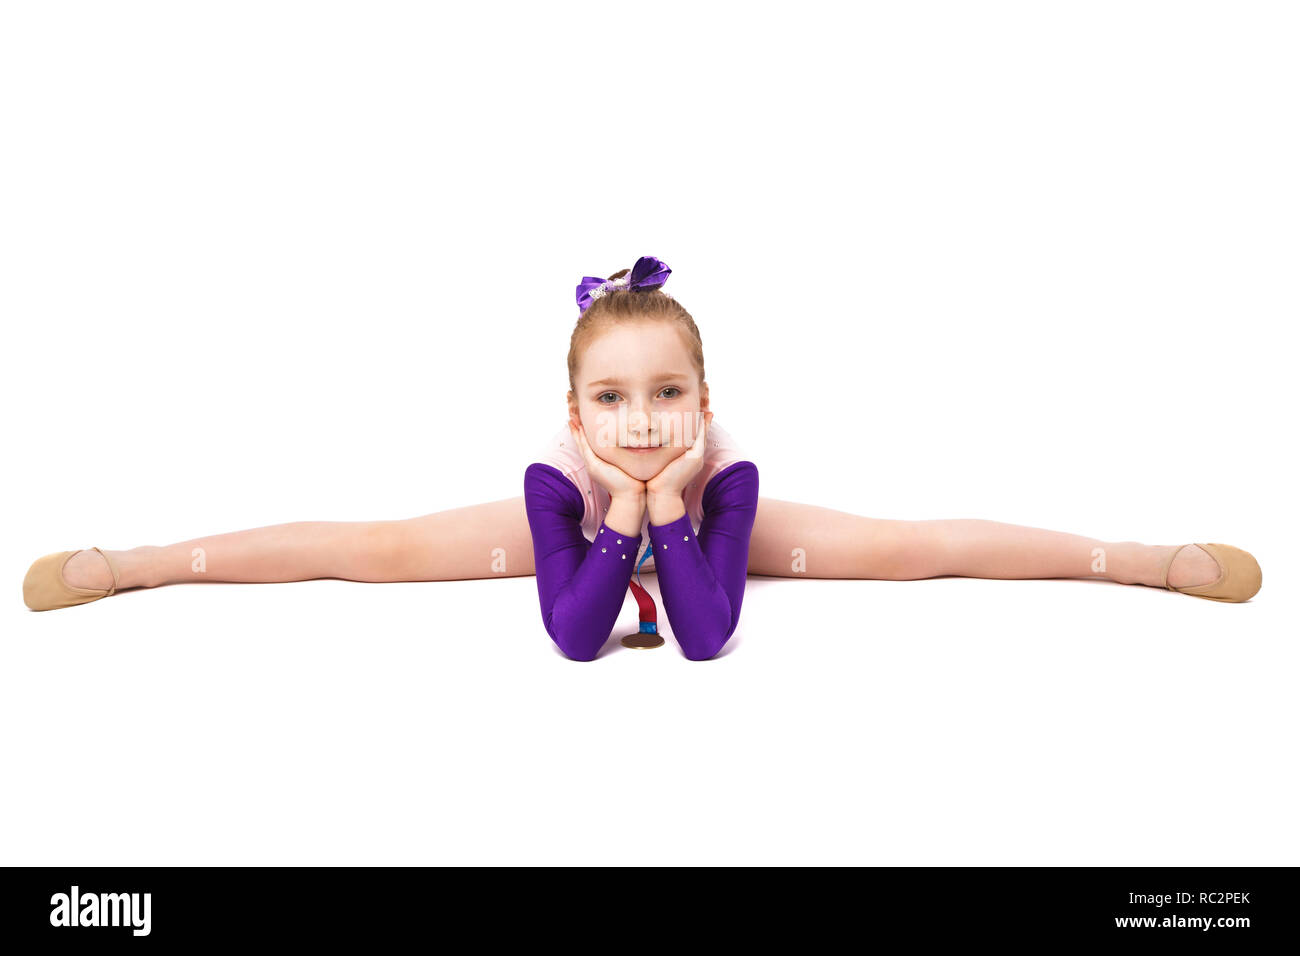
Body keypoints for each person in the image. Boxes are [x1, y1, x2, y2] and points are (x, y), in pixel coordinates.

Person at [22, 255, 1263, 660]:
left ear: (704, 399)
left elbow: (707, 632)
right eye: (613, 397)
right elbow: (576, 636)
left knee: (907, 547)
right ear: (573, 411)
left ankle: (1140, 560)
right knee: (375, 547)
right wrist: (614, 503)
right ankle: (135, 562)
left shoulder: (721, 466)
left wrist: (673, 496)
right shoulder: (558, 474)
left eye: (667, 393)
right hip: (585, 523)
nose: (642, 414)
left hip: (702, 522)